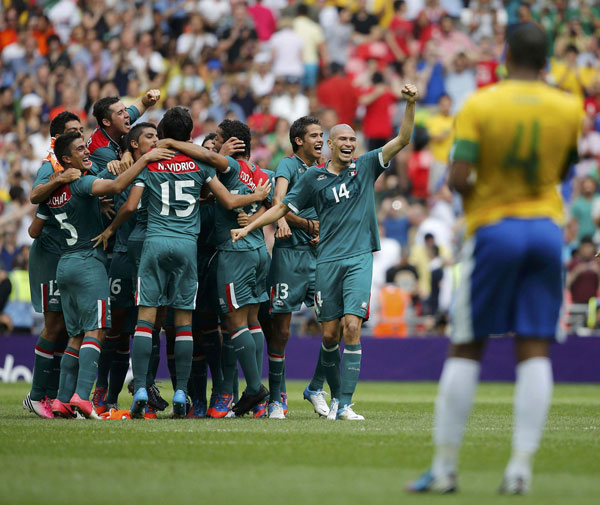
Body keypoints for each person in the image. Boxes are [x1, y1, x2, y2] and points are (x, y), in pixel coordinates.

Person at [406, 23, 582, 494]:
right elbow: (562, 169)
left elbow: (459, 177)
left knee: (467, 344)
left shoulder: (481, 104)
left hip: (495, 228)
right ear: (546, 60)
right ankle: (520, 468)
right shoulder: (570, 106)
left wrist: (483, 193)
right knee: (535, 346)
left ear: (504, 57)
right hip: (545, 230)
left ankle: (444, 469)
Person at [232, 84, 418, 420]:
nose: (348, 144)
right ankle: (317, 387)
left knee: (351, 326)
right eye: (341, 140)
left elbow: (402, 139)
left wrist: (410, 104)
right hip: (325, 260)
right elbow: (282, 206)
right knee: (329, 333)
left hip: (359, 257)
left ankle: (343, 403)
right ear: (329, 146)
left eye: (352, 140)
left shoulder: (366, 166)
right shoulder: (314, 178)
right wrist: (250, 226)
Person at [45, 132, 172, 419]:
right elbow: (115, 186)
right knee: (97, 330)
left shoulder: (52, 189)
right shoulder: (83, 182)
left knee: (76, 335)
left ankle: (62, 400)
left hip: (64, 264)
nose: (86, 151)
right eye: (80, 149)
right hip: (89, 262)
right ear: (66, 159)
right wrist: (147, 159)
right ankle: (83, 396)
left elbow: (35, 227)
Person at [22, 111, 83, 419]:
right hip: (50, 257)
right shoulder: (51, 166)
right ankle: (36, 396)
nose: (79, 137)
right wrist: (60, 179)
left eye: (81, 131)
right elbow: (35, 197)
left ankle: (54, 395)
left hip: (67, 255)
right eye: (73, 132)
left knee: (66, 327)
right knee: (55, 325)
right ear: (58, 140)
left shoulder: (80, 162)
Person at [267, 116, 328, 419]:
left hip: (320, 257)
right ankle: (277, 399)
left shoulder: (325, 169)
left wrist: (325, 231)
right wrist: (285, 221)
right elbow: (278, 200)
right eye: (314, 135)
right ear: (298, 141)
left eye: (321, 134)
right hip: (290, 254)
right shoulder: (287, 166)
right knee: (281, 329)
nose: (320, 139)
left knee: (334, 324)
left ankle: (315, 387)